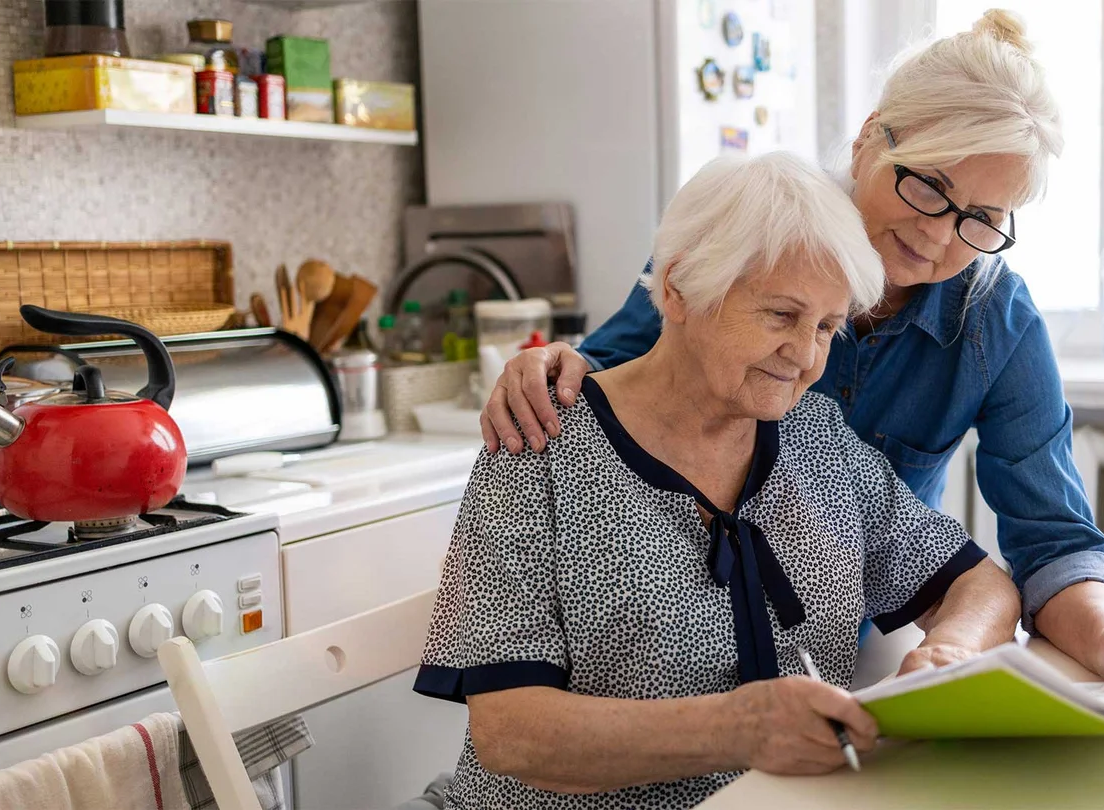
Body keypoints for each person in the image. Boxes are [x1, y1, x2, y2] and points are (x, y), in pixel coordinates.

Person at [478, 9, 1104, 680]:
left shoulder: (996, 322)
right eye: (929, 186)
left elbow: (1052, 538)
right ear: (869, 139)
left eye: (981, 218)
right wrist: (547, 367)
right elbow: (610, 382)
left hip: (848, 648)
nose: (938, 234)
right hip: (671, 651)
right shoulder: (748, 235)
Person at [412, 151, 1019, 808]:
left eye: (826, 327)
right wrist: (738, 730)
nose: (805, 356)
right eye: (781, 315)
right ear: (678, 289)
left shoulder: (817, 438)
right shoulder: (540, 443)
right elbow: (511, 733)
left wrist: (951, 653)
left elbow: (978, 584)